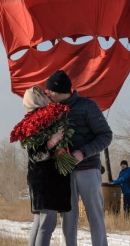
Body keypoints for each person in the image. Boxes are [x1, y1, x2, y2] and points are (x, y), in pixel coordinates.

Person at [45, 70, 113, 246]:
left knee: (95, 215)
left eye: (50, 90)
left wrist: (83, 152)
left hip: (88, 170)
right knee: (67, 217)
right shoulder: (50, 110)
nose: (47, 93)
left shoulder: (88, 106)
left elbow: (105, 135)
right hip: (63, 173)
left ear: (60, 91)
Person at [21, 86, 72, 246]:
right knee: (47, 224)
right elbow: (35, 154)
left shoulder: (44, 118)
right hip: (44, 181)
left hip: (45, 179)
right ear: (36, 100)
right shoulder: (33, 122)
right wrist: (53, 141)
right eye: (42, 94)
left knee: (40, 223)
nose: (46, 95)